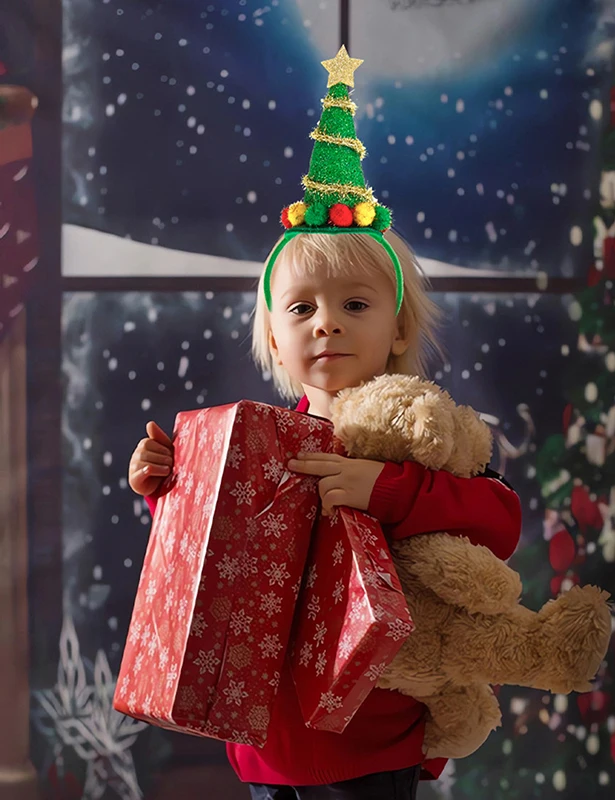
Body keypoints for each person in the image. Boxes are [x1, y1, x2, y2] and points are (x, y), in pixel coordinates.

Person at [127, 46, 522, 800]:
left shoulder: (424, 434)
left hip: (372, 738)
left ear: (399, 327)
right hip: (268, 736)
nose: (327, 326)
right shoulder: (260, 443)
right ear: (274, 336)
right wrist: (164, 491)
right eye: (302, 308)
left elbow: (500, 519)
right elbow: (217, 555)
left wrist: (389, 488)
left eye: (356, 306)